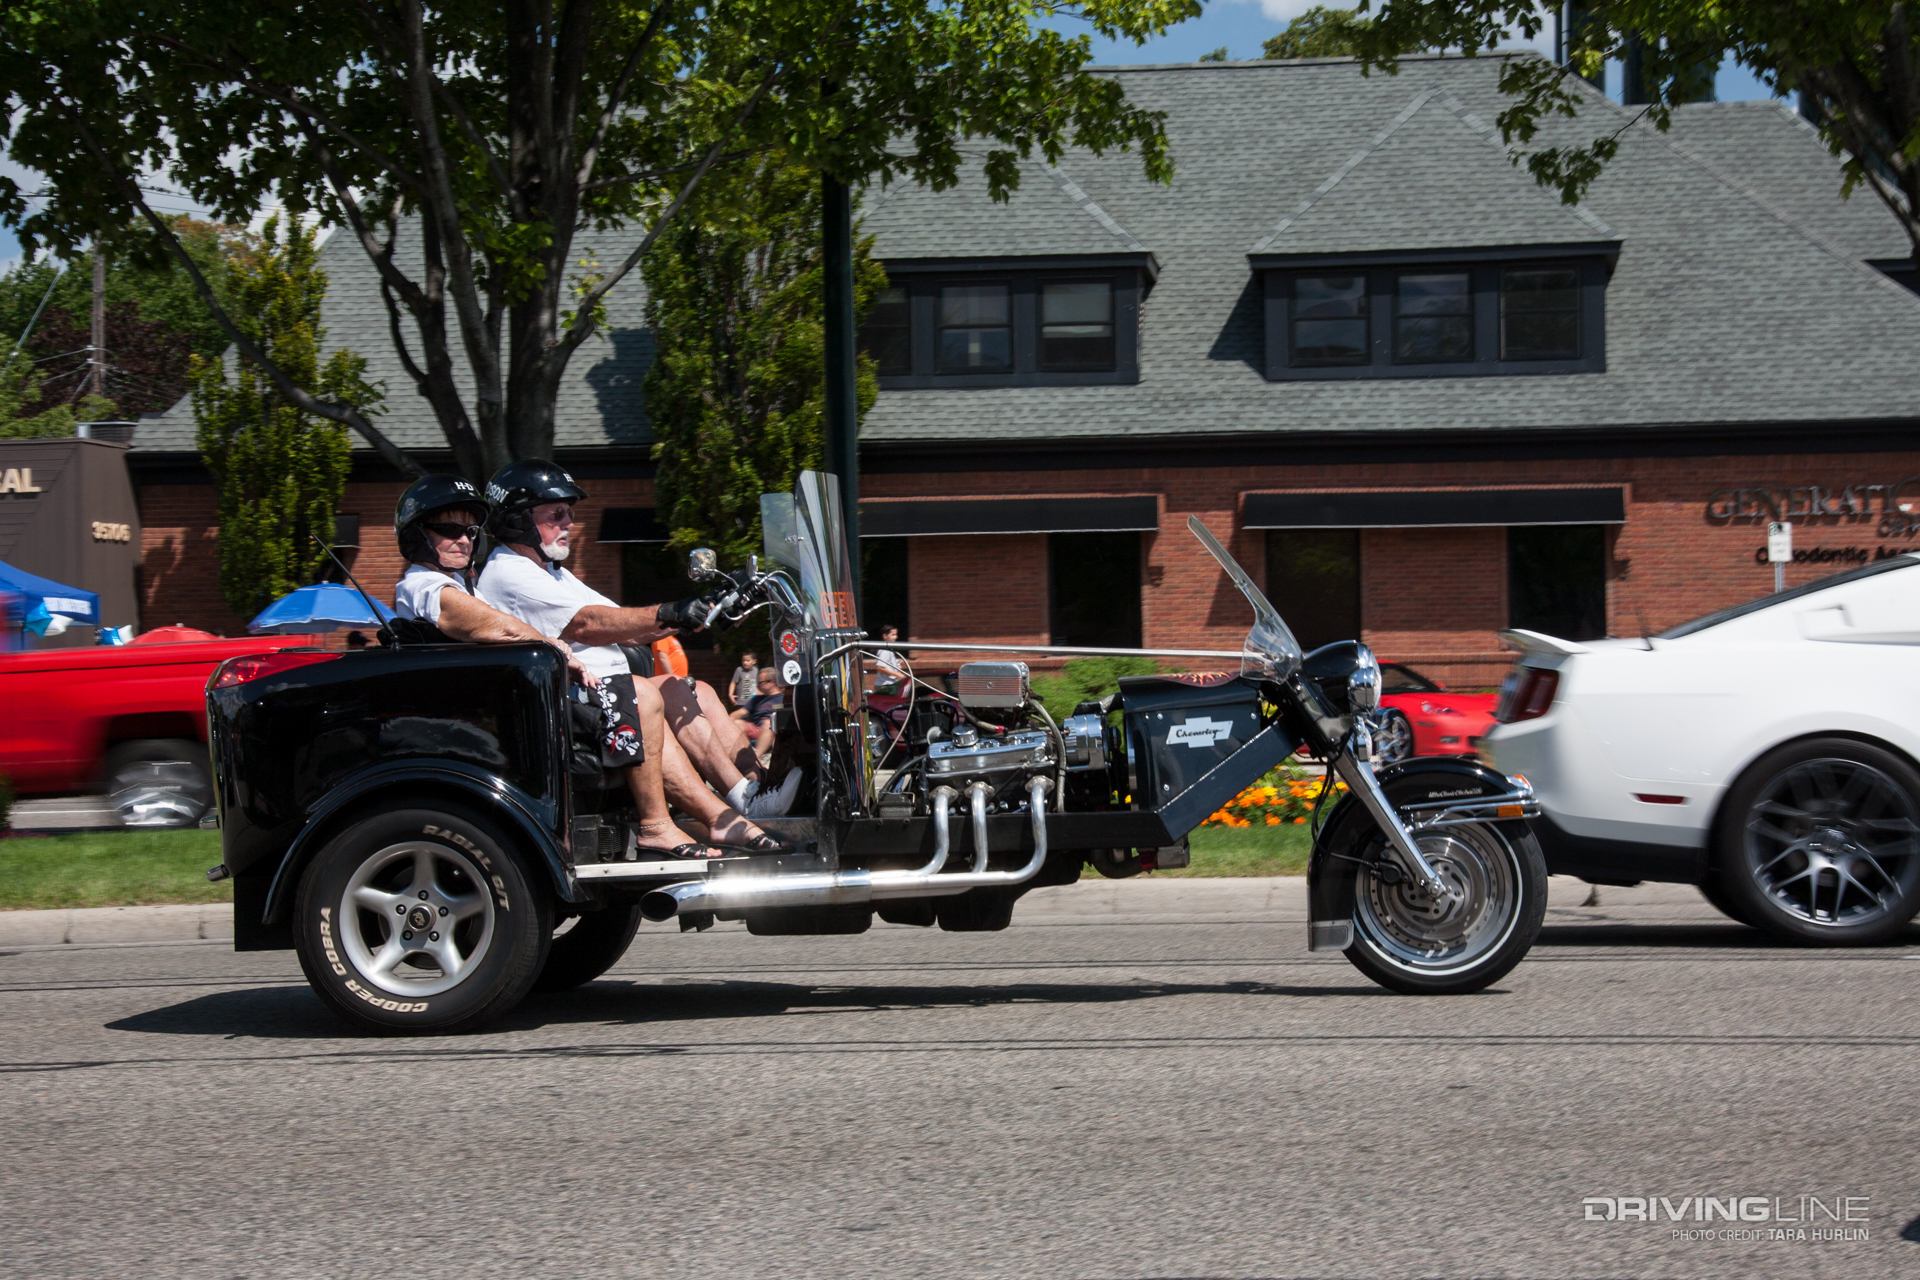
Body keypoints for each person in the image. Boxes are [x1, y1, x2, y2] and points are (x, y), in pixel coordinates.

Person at [392, 473, 774, 859]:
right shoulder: (425, 585)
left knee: (689, 688)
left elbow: (619, 621)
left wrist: (697, 612)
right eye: (448, 529)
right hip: (534, 706)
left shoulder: (521, 575)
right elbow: (551, 624)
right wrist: (559, 649)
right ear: (417, 535)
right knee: (641, 695)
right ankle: (675, 822)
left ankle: (751, 793)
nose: (463, 539)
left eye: (470, 530)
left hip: (554, 693)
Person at [475, 460, 802, 832]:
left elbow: (625, 626)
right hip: (570, 701)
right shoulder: (509, 572)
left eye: (570, 513)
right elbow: (590, 623)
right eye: (557, 514)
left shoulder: (550, 572)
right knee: (667, 689)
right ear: (517, 520)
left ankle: (759, 788)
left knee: (704, 693)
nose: (569, 522)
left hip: (602, 692)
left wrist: (697, 611)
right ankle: (742, 801)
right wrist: (671, 611)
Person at [870, 625, 906, 696]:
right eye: (893, 635)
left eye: (896, 634)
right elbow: (879, 667)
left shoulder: (889, 650)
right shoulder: (885, 651)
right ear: (885, 636)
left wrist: (898, 667)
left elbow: (888, 667)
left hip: (889, 684)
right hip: (885, 685)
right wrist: (897, 674)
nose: (896, 637)